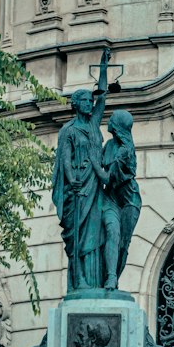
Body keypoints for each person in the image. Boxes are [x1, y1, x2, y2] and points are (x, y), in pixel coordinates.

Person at [51, 50, 109, 290]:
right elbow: (64, 158)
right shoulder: (69, 130)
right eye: (86, 100)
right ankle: (79, 279)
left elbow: (103, 97)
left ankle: (93, 278)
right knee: (76, 235)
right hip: (78, 187)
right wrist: (72, 180)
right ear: (76, 104)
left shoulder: (94, 122)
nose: (91, 103)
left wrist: (104, 69)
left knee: (94, 233)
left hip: (95, 185)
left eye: (90, 101)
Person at [100, 109, 141, 291]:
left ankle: (115, 277)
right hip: (111, 198)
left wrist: (93, 164)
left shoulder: (125, 151)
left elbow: (107, 177)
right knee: (112, 234)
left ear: (117, 125)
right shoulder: (108, 145)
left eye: (112, 119)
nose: (108, 121)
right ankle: (109, 277)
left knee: (123, 245)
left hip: (129, 201)